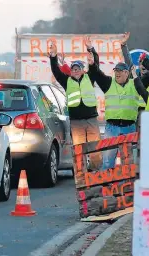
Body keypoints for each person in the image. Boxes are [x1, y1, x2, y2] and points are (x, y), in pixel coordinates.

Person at [86, 34, 148, 170]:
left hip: (129, 128)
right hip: (111, 128)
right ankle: (107, 188)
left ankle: (126, 188)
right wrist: (92, 57)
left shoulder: (135, 84)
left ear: (127, 73)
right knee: (108, 161)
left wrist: (124, 46)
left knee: (127, 162)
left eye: (120, 71)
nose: (117, 73)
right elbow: (96, 72)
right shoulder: (108, 83)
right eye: (115, 71)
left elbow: (132, 64)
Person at [48, 37, 102, 170]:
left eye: (78, 68)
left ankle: (94, 172)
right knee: (79, 151)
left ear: (84, 70)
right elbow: (56, 70)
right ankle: (81, 175)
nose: (75, 70)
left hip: (91, 120)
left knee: (95, 150)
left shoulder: (90, 77)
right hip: (76, 122)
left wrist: (91, 49)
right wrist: (53, 56)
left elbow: (95, 64)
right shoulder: (67, 81)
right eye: (73, 69)